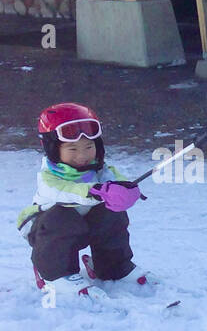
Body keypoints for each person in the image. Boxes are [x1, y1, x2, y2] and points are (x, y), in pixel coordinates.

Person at [18, 102, 142, 297]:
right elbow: (66, 191)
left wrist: (126, 190)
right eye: (73, 149)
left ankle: (113, 266)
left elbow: (116, 179)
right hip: (46, 231)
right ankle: (54, 274)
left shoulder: (100, 169)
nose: (83, 155)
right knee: (62, 216)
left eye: (89, 146)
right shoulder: (48, 177)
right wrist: (95, 191)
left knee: (112, 212)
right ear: (52, 148)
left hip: (85, 226)